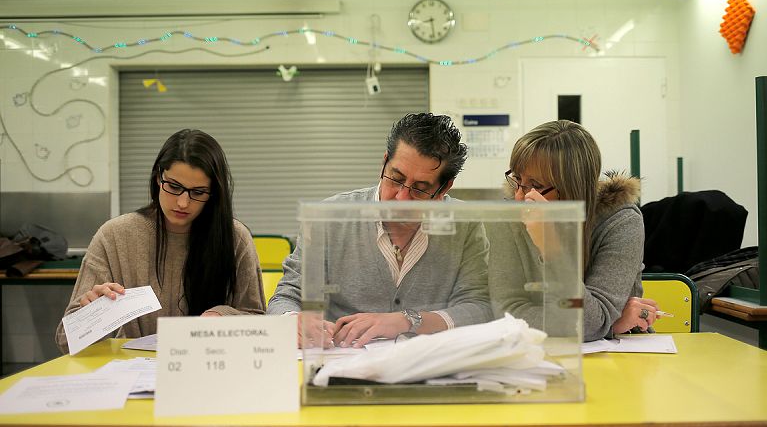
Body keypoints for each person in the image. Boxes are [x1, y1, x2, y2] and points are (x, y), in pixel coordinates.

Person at [267, 113, 492, 348]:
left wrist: (407, 321)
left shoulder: (464, 224)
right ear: (384, 162)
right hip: (341, 365)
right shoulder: (330, 217)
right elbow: (287, 296)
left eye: (420, 189)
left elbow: (479, 307)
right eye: (396, 179)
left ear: (444, 188)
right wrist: (293, 321)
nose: (401, 199)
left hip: (429, 367)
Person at [55, 129, 265, 353]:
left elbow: (259, 323)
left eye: (198, 192)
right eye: (174, 187)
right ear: (158, 178)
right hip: (133, 372)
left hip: (211, 366)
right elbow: (65, 342)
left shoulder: (235, 237)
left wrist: (221, 316)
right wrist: (92, 316)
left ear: (214, 193)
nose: (183, 203)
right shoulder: (114, 236)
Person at [489, 120, 660, 342]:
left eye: (537, 185)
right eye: (518, 180)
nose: (521, 196)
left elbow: (591, 323)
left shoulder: (621, 221)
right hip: (532, 351)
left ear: (573, 187)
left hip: (620, 356)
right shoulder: (511, 215)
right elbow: (506, 313)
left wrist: (550, 246)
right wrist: (609, 325)